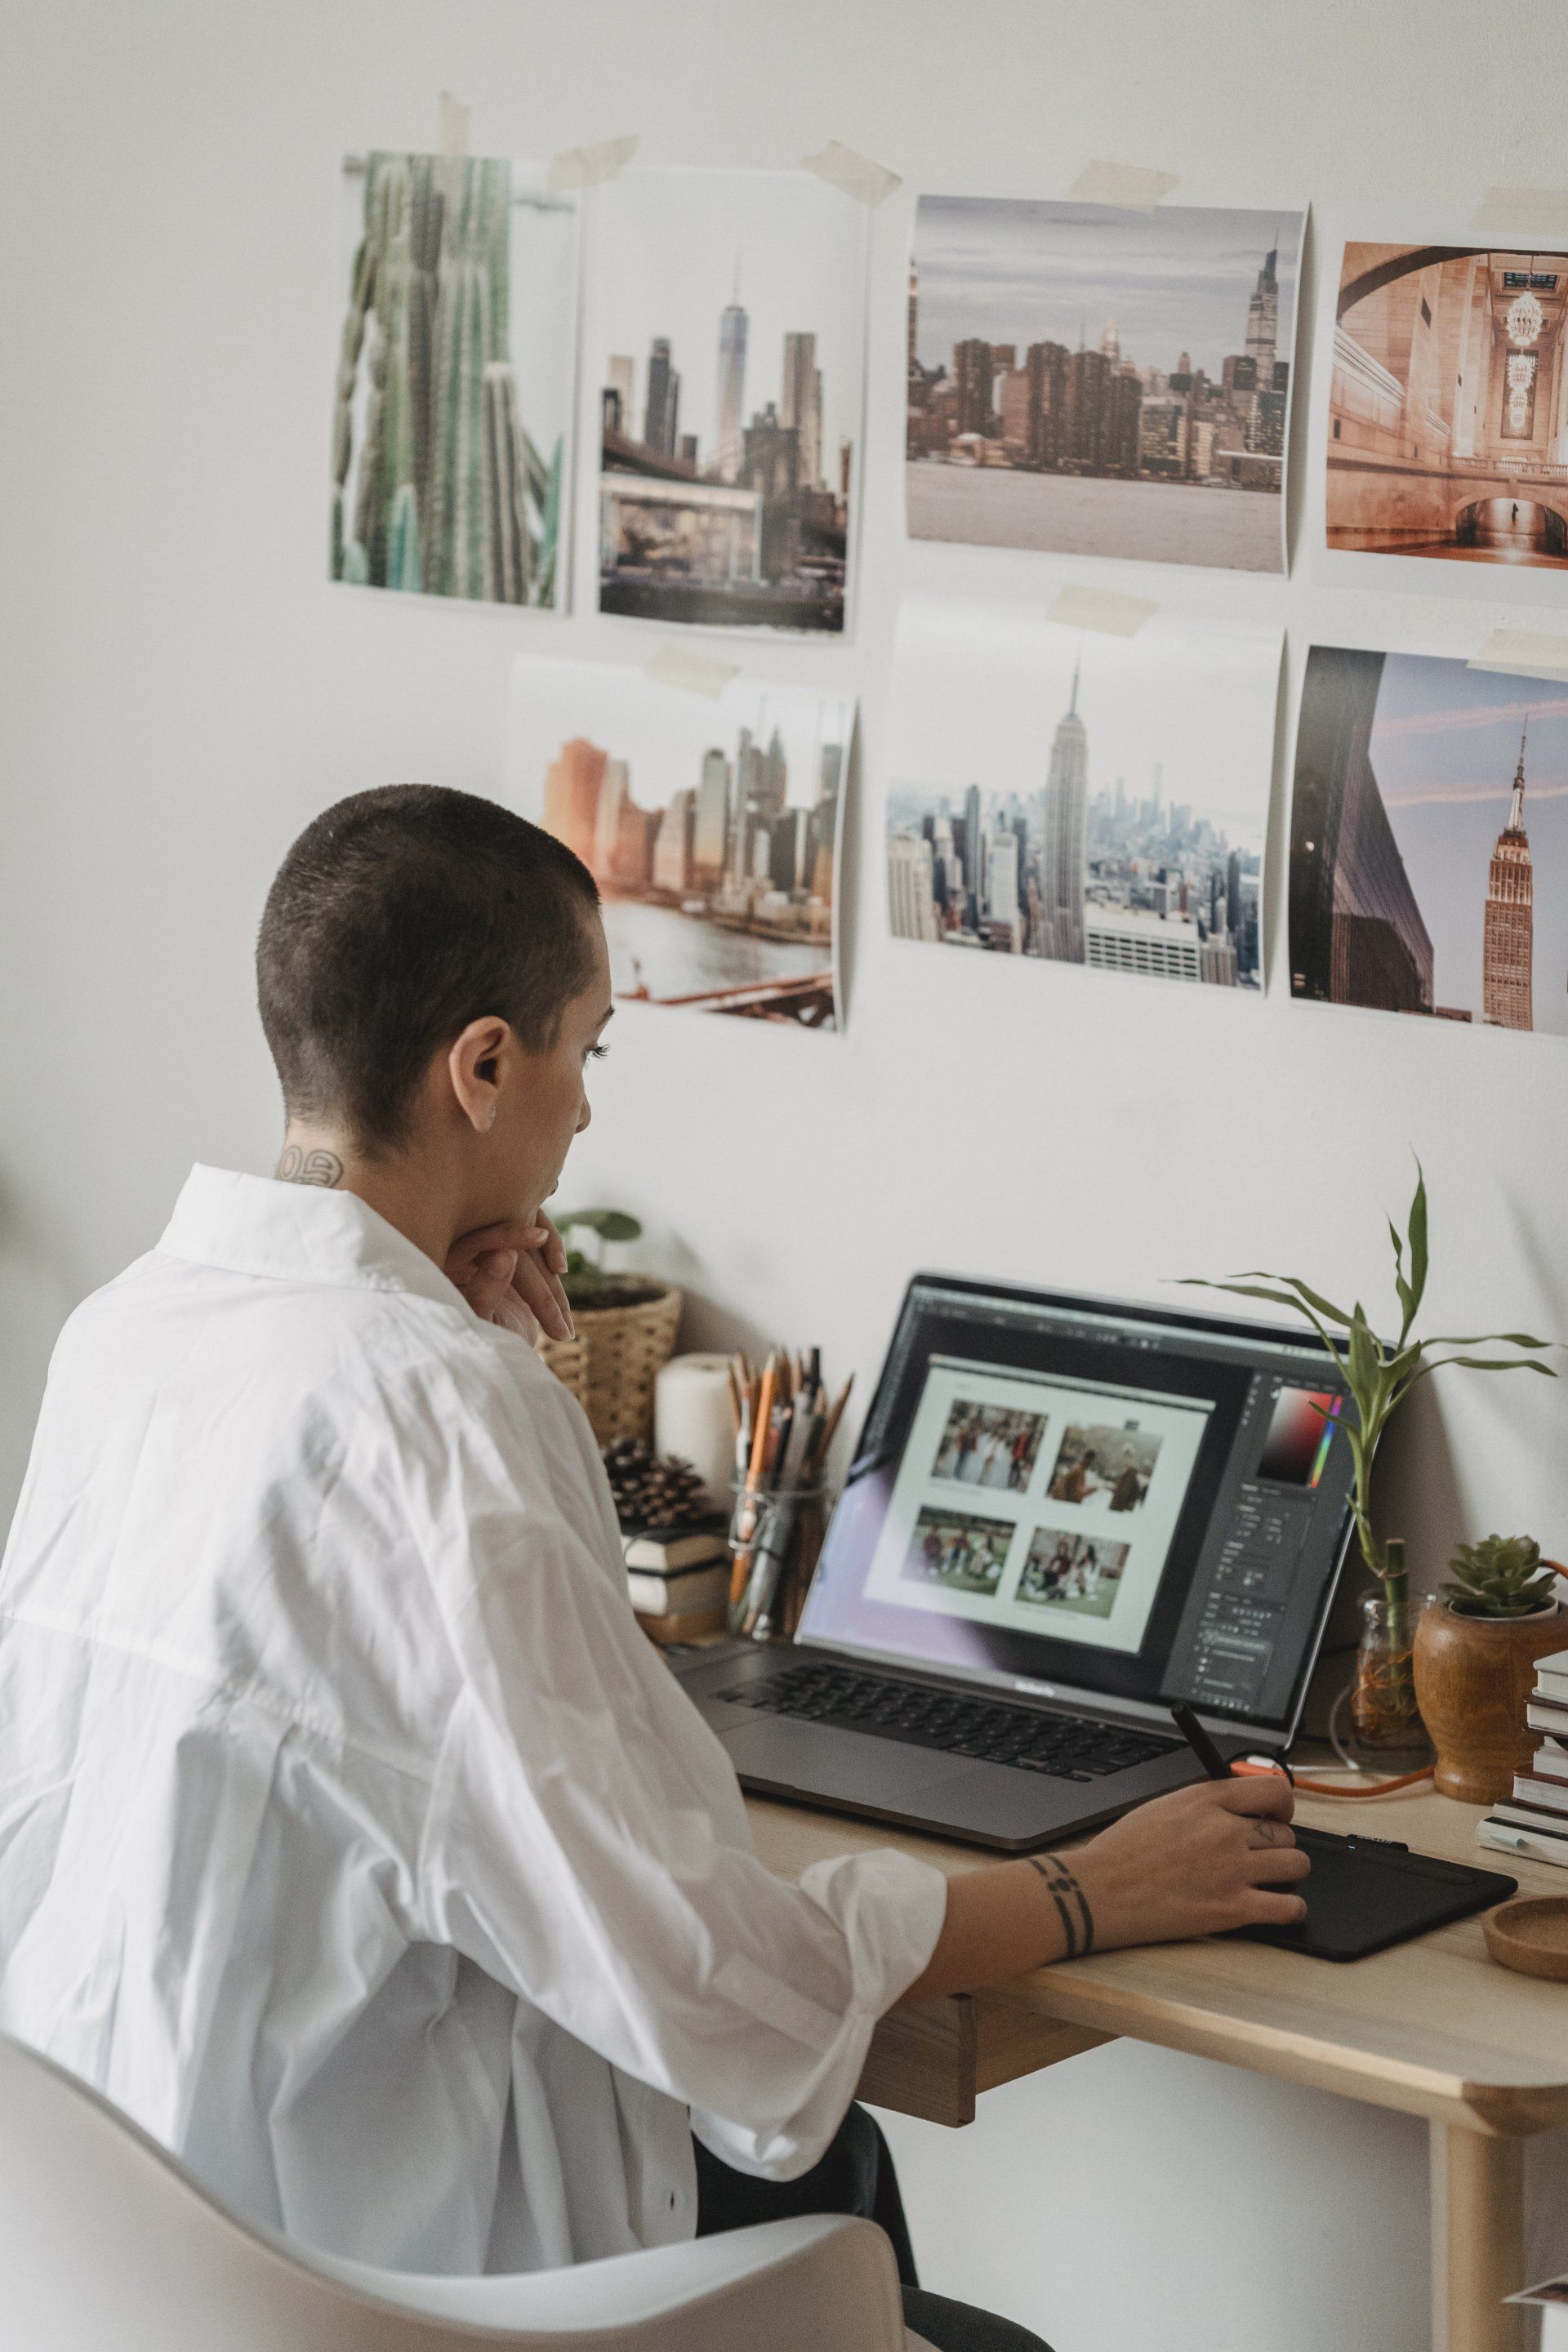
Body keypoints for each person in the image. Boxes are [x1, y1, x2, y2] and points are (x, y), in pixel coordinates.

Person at [0, 786, 1307, 2352]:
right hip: (394, 2286)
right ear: (484, 1067)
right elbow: (711, 1980)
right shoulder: (441, 1415)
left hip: (134, 2269)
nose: (589, 1111)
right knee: (889, 2235)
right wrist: (1083, 1891)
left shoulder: (128, 1333)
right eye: (587, 1049)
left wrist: (460, 1324)